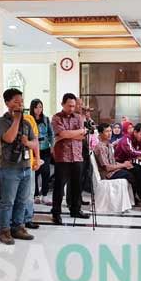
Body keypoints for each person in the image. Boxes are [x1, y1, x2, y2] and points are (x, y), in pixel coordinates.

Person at [0, 88, 38, 244]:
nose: (20, 104)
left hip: (25, 167)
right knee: (8, 202)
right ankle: (4, 231)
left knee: (22, 200)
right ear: (7, 103)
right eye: (16, 101)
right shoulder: (1, 122)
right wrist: (17, 119)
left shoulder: (27, 122)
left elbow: (35, 143)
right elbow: (9, 138)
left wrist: (29, 144)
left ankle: (18, 227)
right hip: (9, 169)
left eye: (21, 101)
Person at [94, 123, 141, 209]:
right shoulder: (101, 147)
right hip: (108, 174)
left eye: (110, 131)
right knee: (135, 173)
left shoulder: (108, 145)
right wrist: (123, 165)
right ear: (100, 133)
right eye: (106, 131)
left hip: (116, 168)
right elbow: (107, 168)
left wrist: (124, 165)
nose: (109, 133)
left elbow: (113, 162)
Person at [51, 93, 90, 225]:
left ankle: (76, 209)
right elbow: (62, 133)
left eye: (74, 106)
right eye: (69, 106)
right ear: (62, 104)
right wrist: (77, 132)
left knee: (77, 185)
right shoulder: (56, 118)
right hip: (62, 157)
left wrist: (68, 135)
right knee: (59, 187)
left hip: (77, 156)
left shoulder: (79, 117)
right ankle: (56, 213)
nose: (72, 108)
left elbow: (82, 137)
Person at [22, 105, 41, 230]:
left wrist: (37, 159)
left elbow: (35, 142)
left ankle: (28, 218)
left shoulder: (29, 119)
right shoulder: (6, 121)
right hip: (12, 164)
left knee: (29, 193)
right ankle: (16, 221)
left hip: (29, 162)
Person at [32, 99, 53, 204]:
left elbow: (50, 133)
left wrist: (52, 145)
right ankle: (36, 195)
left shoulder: (46, 119)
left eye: (40, 107)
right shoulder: (29, 119)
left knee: (46, 172)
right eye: (36, 107)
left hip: (45, 149)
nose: (39, 109)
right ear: (32, 108)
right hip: (33, 150)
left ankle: (44, 195)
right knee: (35, 172)